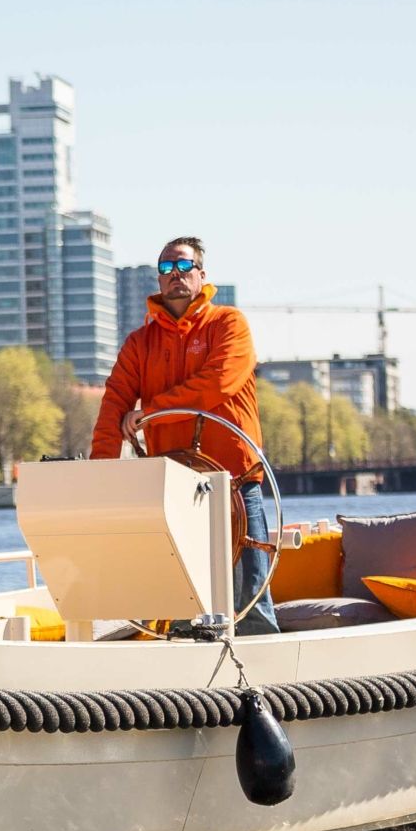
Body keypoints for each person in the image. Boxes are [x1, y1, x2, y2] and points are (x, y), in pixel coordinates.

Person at [88, 237, 278, 633]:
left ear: (202, 275)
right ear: (158, 279)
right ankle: (180, 672)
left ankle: (267, 660)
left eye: (183, 267)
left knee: (252, 595)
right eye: (165, 269)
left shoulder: (230, 324)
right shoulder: (140, 344)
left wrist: (151, 413)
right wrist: (99, 479)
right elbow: (114, 407)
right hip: (175, 485)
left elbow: (219, 382)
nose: (174, 276)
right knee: (179, 594)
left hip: (236, 480)